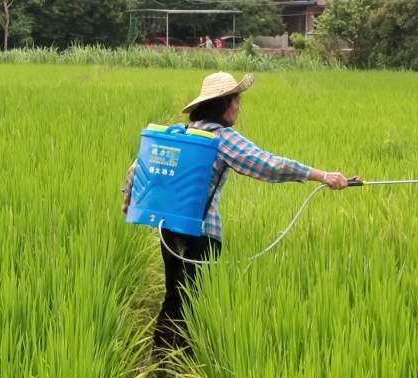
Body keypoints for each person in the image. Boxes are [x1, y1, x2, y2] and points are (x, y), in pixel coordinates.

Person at [121, 72, 357, 355]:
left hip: (169, 227)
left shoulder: (181, 134)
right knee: (196, 299)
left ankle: (161, 359)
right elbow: (266, 164)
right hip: (203, 233)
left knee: (175, 293)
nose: (239, 108)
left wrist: (128, 200)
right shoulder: (221, 138)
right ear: (223, 105)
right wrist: (321, 175)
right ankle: (187, 360)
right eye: (236, 101)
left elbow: (138, 168)